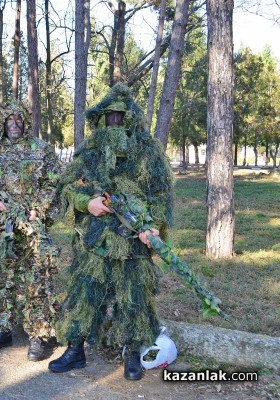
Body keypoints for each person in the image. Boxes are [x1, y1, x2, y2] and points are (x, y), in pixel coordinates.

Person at [48, 83, 174, 380]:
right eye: (109, 117)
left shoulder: (147, 153)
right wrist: (86, 202)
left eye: (120, 117)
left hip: (133, 243)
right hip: (94, 240)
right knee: (83, 294)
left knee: (133, 297)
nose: (114, 122)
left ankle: (132, 352)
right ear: (100, 119)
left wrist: (154, 228)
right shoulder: (89, 153)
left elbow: (160, 195)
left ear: (131, 118)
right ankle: (76, 349)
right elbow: (65, 188)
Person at [0, 100, 63, 361]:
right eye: (9, 120)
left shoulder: (41, 150)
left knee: (36, 282)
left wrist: (38, 208)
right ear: (2, 124)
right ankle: (1, 329)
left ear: (26, 123)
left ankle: (38, 336)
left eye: (19, 120)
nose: (14, 125)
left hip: (30, 231)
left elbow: (55, 184)